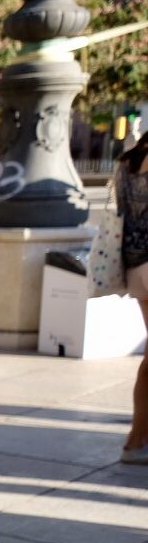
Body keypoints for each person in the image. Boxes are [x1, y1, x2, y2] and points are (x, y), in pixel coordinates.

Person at [117, 141, 148, 465]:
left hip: (136, 263)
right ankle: (136, 442)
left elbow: (121, 209)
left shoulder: (128, 162)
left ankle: (137, 440)